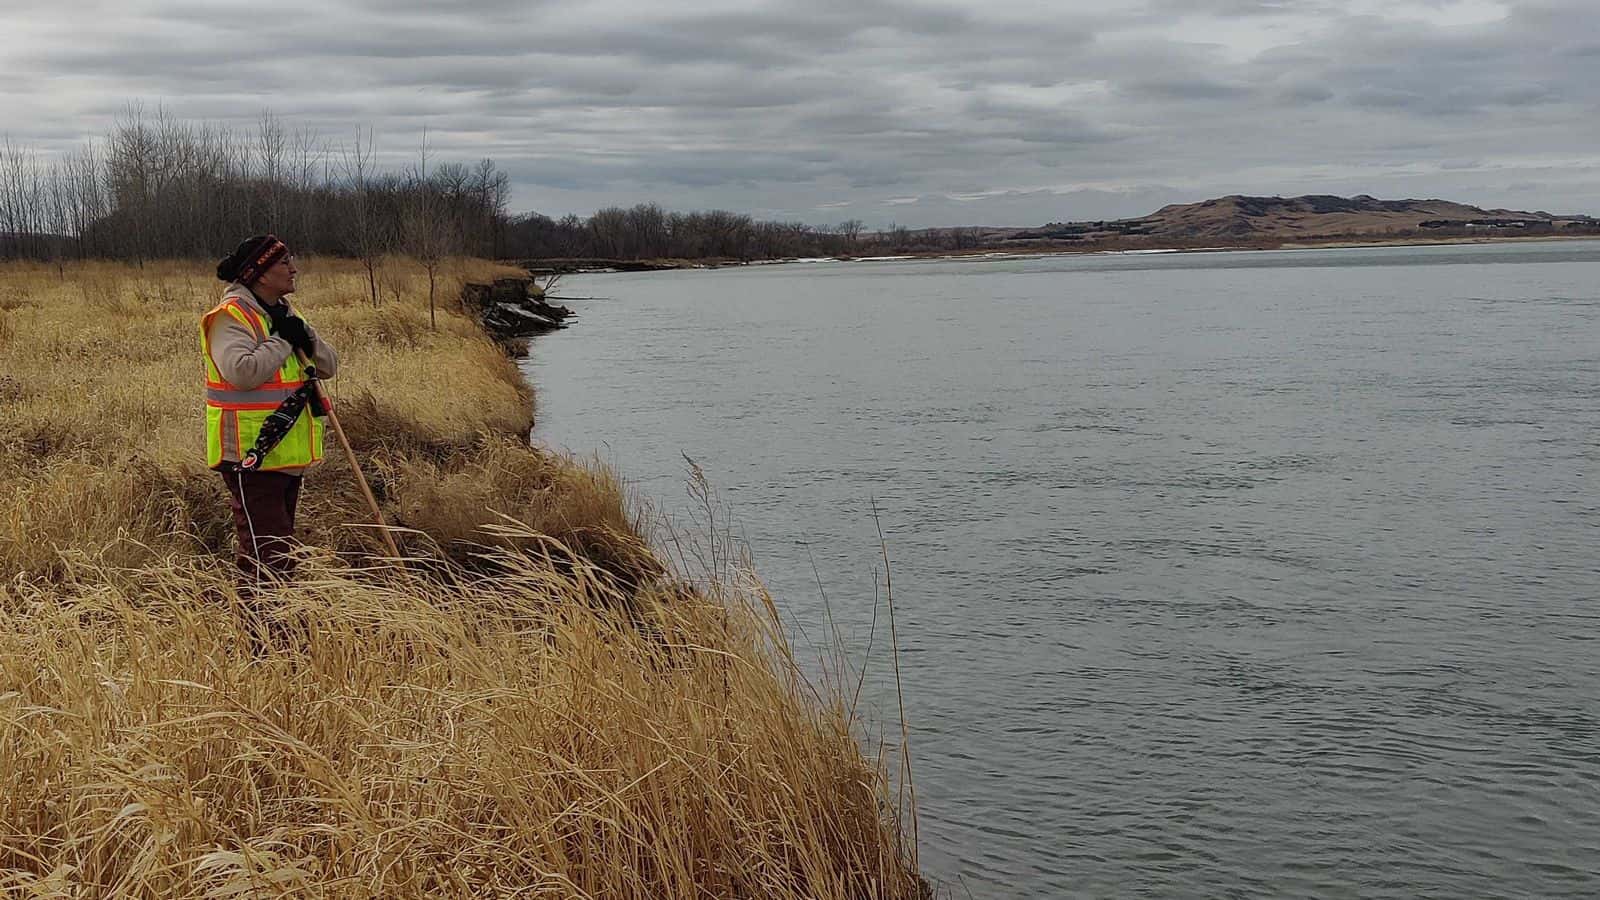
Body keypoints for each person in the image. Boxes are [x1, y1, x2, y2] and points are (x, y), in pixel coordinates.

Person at [201, 235, 339, 581]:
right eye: (284, 262)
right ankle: (264, 631)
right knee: (268, 556)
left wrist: (303, 335)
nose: (294, 269)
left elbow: (329, 366)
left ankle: (275, 628)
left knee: (277, 551)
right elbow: (241, 373)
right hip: (251, 454)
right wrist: (283, 340)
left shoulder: (284, 313)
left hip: (286, 454)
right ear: (261, 273)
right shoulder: (229, 317)